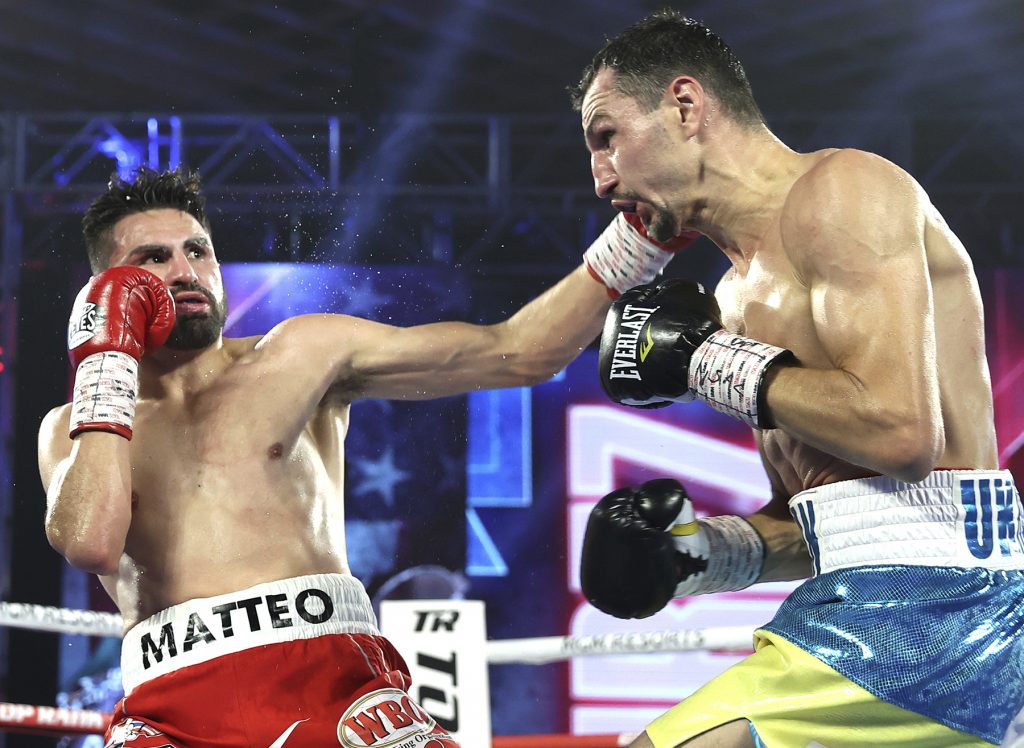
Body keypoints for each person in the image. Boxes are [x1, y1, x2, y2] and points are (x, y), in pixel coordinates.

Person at [36, 166, 694, 747]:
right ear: (106, 285)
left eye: (197, 251)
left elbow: (518, 351)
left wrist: (641, 240)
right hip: (171, 708)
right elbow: (93, 542)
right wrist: (106, 362)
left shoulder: (301, 353)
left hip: (328, 677)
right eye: (154, 258)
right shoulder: (70, 426)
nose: (186, 272)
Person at [572, 10, 1024, 748]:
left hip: (932, 614)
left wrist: (703, 361)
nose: (600, 178)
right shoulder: (728, 297)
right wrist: (698, 555)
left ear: (685, 106)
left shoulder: (846, 190)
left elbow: (903, 435)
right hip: (886, 612)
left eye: (607, 136)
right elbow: (826, 521)